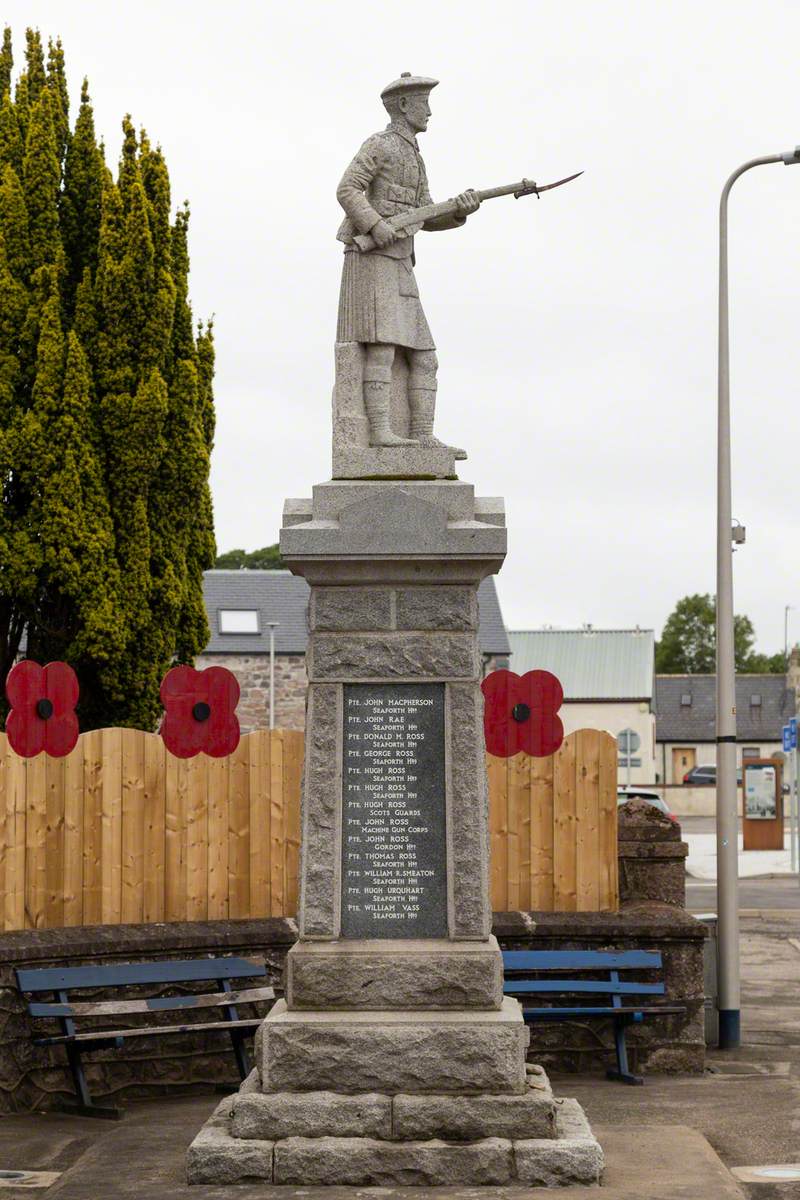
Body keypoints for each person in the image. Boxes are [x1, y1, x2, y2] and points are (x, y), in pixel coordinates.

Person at [336, 73, 480, 457]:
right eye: (423, 103)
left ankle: (422, 435)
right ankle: (381, 433)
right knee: (382, 349)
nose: (429, 112)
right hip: (372, 260)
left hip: (401, 261)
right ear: (403, 106)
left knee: (425, 356)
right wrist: (375, 225)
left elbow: (427, 214)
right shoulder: (379, 145)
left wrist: (460, 212)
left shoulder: (416, 157)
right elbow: (347, 188)